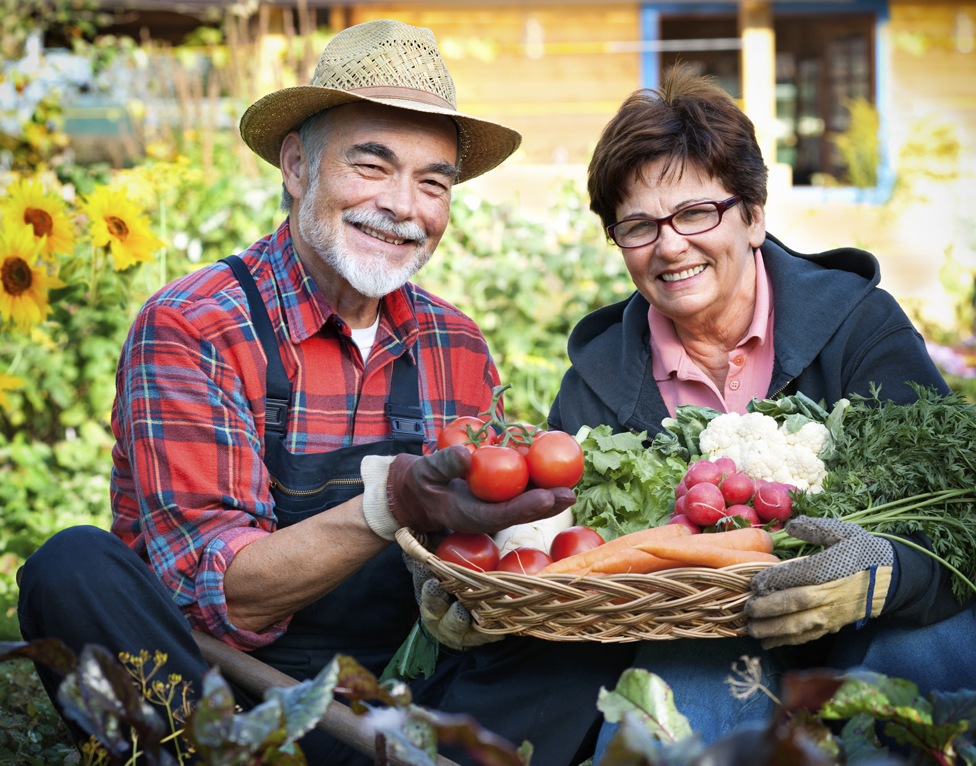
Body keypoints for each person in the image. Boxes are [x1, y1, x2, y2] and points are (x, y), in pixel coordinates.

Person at [17, 20, 634, 766]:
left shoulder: (455, 344)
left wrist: (496, 575)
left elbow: (480, 562)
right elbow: (222, 599)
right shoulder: (194, 326)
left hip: (403, 701)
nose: (405, 206)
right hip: (225, 698)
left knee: (584, 652)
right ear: (296, 164)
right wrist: (394, 503)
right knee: (70, 570)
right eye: (372, 166)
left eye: (433, 182)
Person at [547, 64, 976, 755]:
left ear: (754, 216)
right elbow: (554, 554)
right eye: (638, 227)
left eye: (696, 213)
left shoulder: (858, 326)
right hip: (701, 644)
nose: (669, 245)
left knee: (938, 655)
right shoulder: (594, 384)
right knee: (668, 715)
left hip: (868, 626)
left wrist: (882, 576)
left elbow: (968, 518)